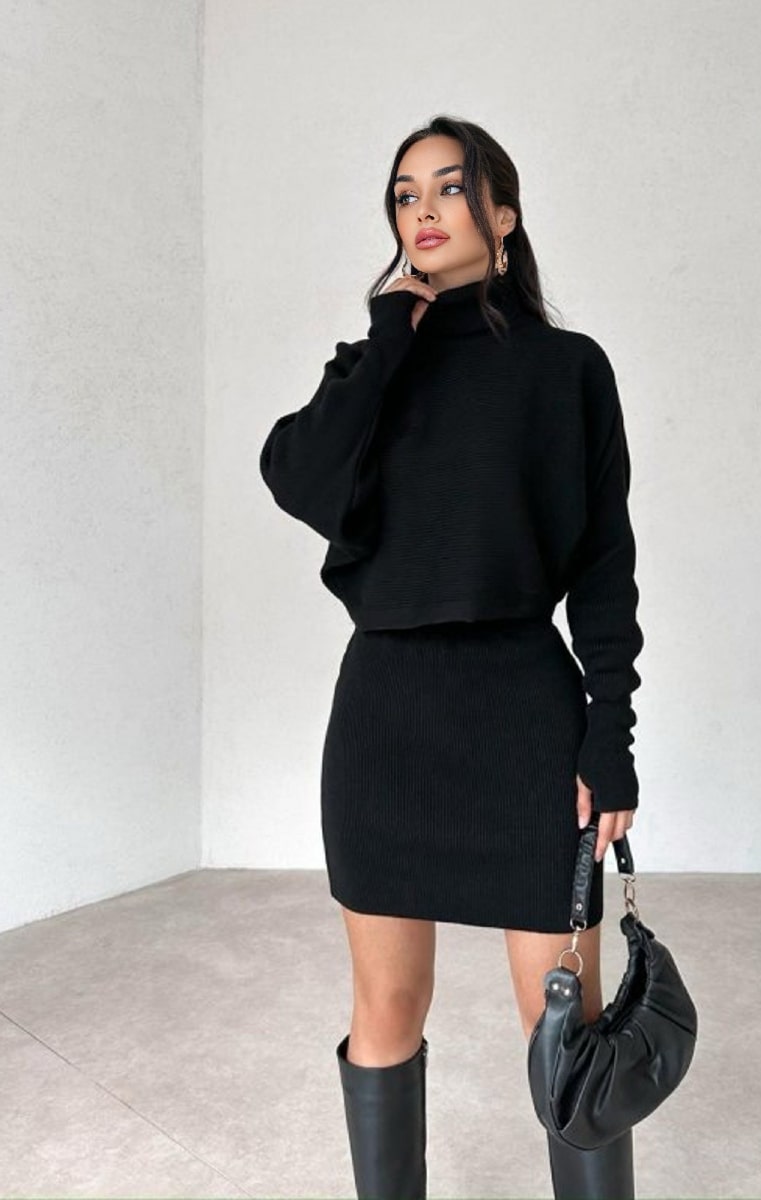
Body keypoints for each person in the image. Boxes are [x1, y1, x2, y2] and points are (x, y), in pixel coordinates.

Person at [259, 115, 643, 1200]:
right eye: (404, 193)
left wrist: (609, 740)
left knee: (566, 1025)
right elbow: (294, 479)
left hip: (523, 715)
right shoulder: (373, 369)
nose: (423, 210)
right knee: (385, 1007)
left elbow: (604, 567)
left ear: (503, 216)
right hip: (386, 718)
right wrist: (388, 338)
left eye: (449, 187)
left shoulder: (567, 370)